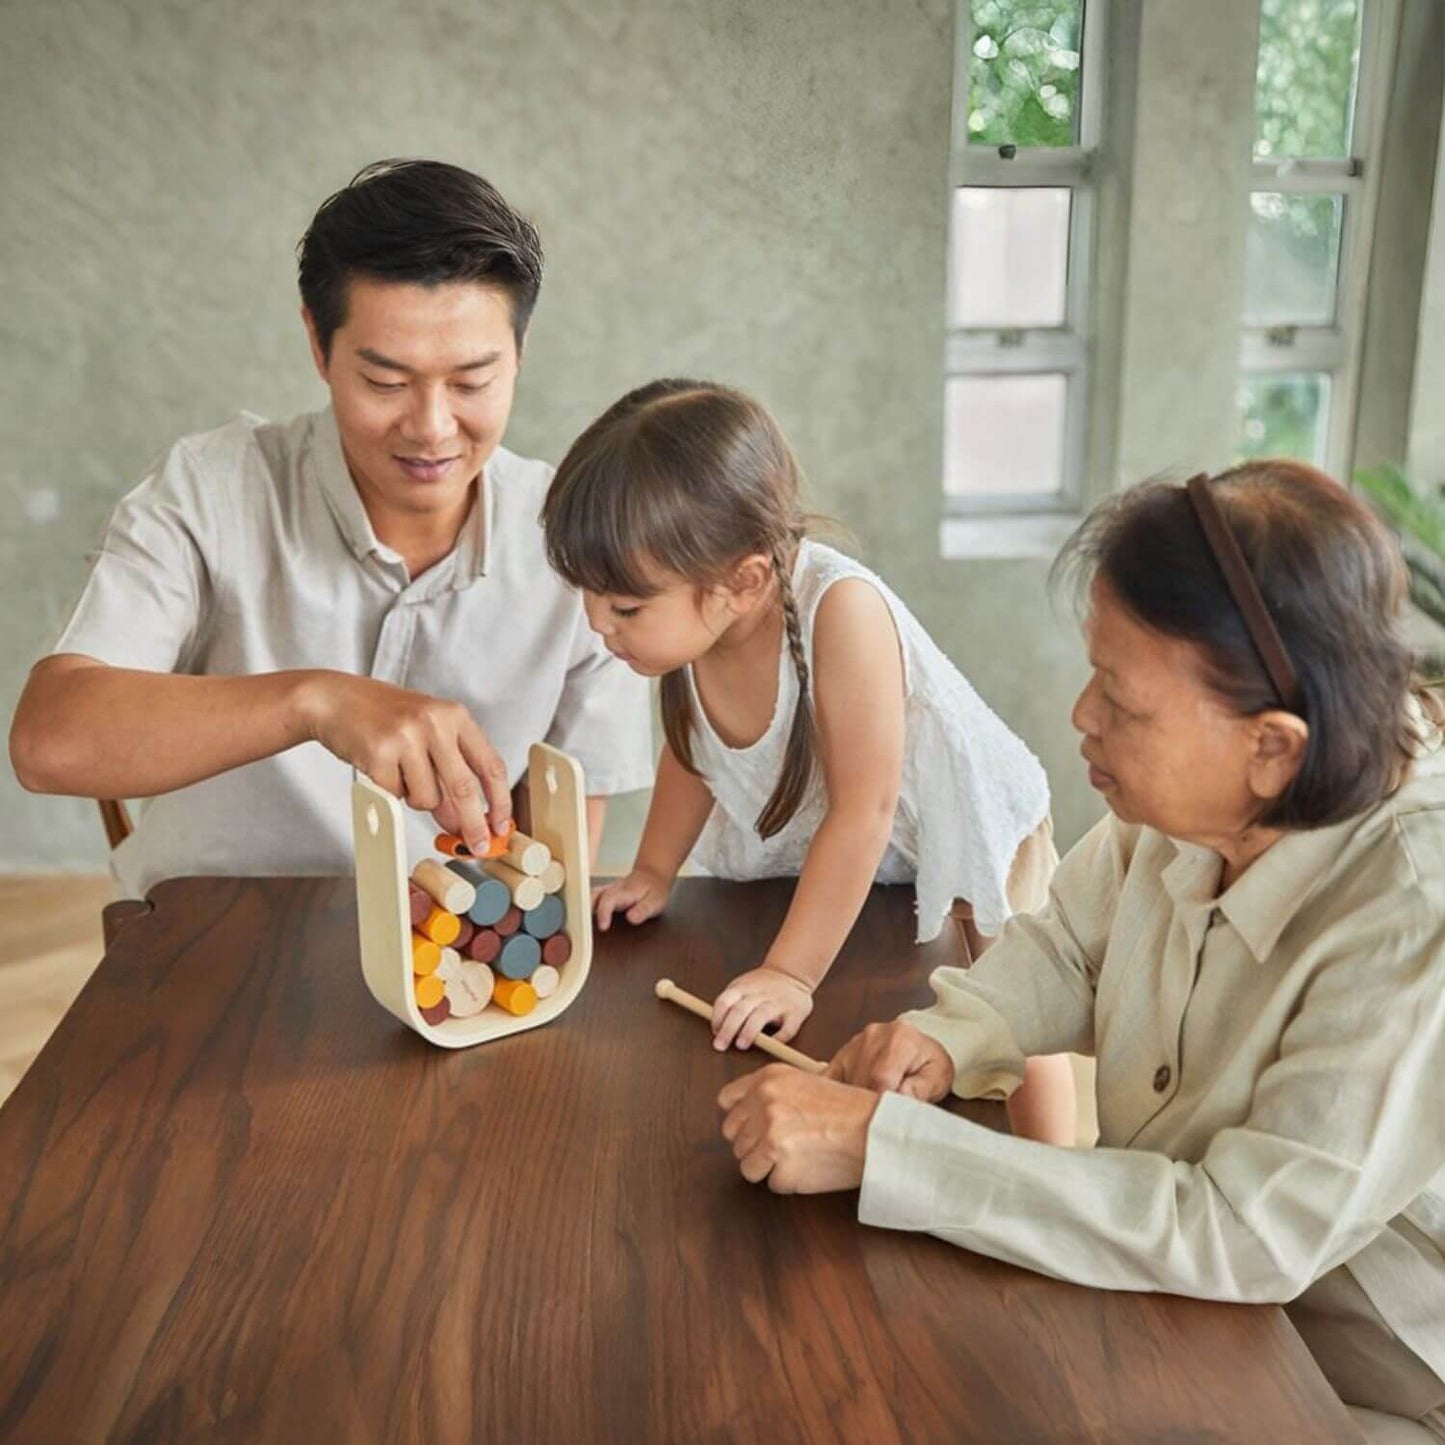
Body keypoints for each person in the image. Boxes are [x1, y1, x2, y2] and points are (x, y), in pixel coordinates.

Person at [717, 461, 1445, 1442]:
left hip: (1372, 1380)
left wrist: (883, 1146)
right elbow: (1068, 944)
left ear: (1270, 746)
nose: (1080, 717)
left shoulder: (1412, 905)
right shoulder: (1215, 794)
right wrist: (950, 1035)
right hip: (1183, 1305)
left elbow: (1243, 1230)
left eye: (1120, 698)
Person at [9, 160, 652, 893]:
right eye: (385, 382)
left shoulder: (576, 540)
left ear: (520, 353)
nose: (432, 428)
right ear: (318, 343)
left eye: (473, 381)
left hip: (449, 963)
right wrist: (316, 701)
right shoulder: (212, 489)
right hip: (211, 935)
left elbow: (555, 866)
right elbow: (48, 741)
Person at [541, 378, 1075, 1144]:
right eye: (587, 597)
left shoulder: (840, 611)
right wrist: (653, 869)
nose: (597, 624)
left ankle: (1051, 1164)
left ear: (743, 581)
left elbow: (865, 809)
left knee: (1015, 1009)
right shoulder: (706, 626)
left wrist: (790, 973)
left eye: (623, 607)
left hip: (971, 828)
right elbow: (695, 754)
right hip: (876, 847)